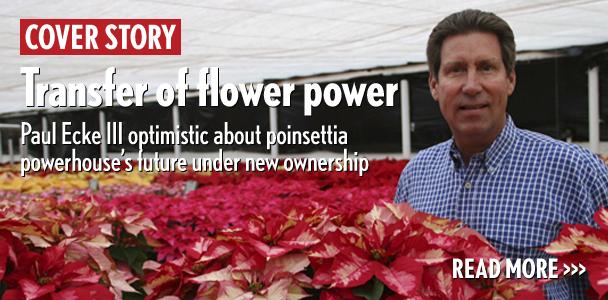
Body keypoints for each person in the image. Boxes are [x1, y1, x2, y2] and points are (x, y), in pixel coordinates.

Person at [394, 9, 608, 300]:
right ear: (434, 85)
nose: (471, 86)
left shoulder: (574, 169)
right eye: (456, 69)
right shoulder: (415, 175)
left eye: (486, 67)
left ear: (510, 80)